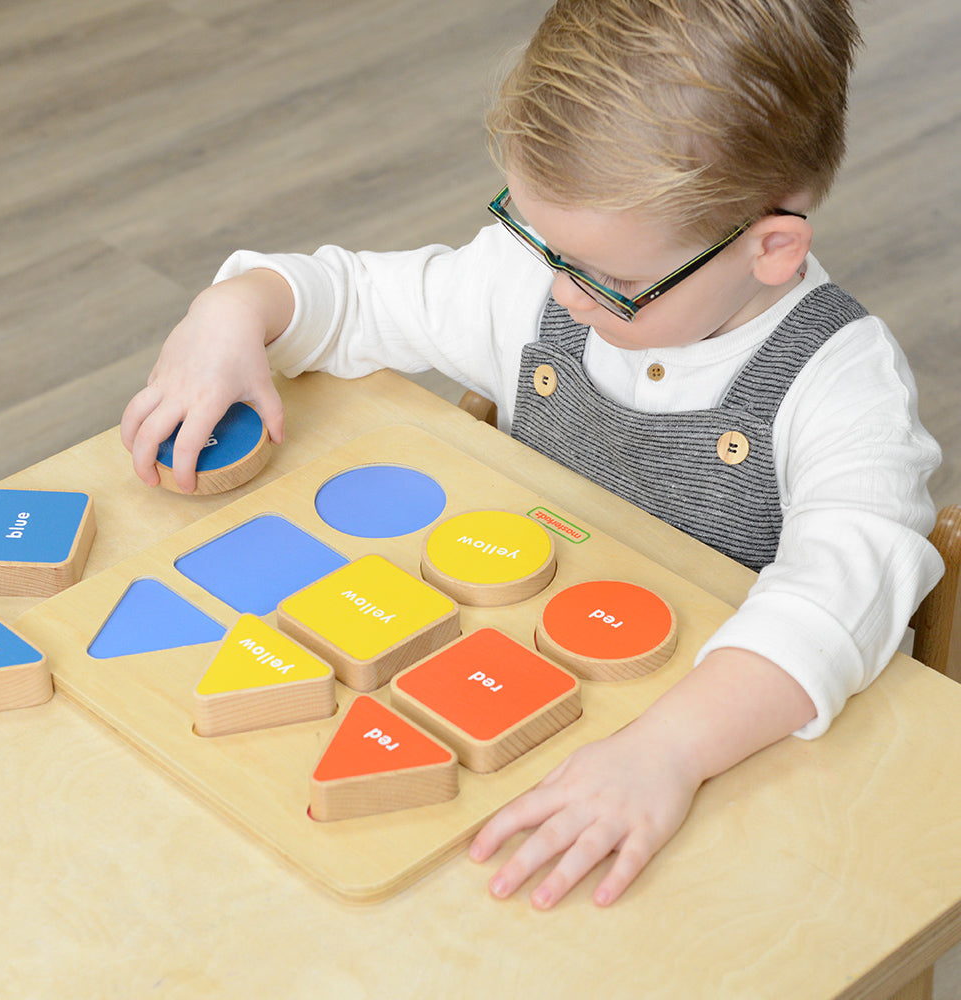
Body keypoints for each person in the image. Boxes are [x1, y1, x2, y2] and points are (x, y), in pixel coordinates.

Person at [120, 0, 943, 909]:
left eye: (611, 279)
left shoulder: (844, 386)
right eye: (542, 241)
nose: (561, 291)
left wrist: (667, 751)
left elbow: (835, 607)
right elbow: (350, 295)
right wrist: (230, 313)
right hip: (519, 692)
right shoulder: (543, 279)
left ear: (772, 248)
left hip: (718, 753)